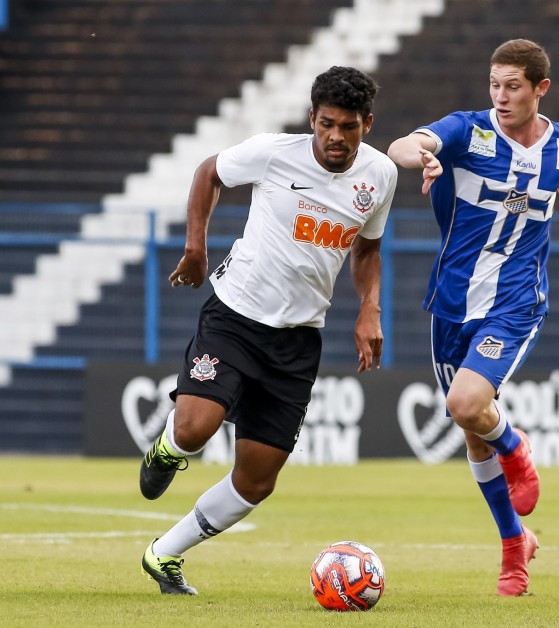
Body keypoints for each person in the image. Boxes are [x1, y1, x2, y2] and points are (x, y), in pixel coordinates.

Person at [137, 66, 397, 595]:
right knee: (193, 430)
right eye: (326, 124)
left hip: (298, 338)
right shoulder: (275, 152)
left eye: (348, 127)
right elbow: (209, 171)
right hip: (235, 315)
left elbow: (367, 249)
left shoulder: (381, 175)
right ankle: (166, 448)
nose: (335, 137)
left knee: (256, 480)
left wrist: (370, 308)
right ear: (312, 119)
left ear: (367, 125)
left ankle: (164, 554)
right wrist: (195, 247)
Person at [387, 38, 559, 596]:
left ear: (540, 89)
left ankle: (517, 448)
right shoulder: (467, 130)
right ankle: (515, 547)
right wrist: (424, 155)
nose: (501, 96)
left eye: (513, 86)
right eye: (494, 84)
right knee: (470, 432)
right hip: (452, 304)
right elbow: (400, 146)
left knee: (465, 405)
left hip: (515, 303)